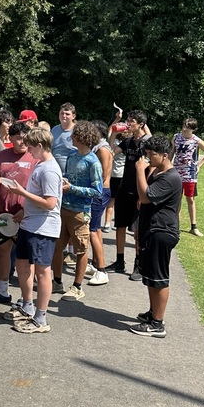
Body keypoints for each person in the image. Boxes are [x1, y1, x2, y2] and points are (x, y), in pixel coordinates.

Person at [3, 126, 62, 334]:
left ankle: (41, 317)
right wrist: (24, 211)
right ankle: (27, 306)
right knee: (22, 264)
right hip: (30, 224)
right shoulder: (41, 164)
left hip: (43, 228)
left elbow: (50, 203)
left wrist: (22, 193)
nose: (27, 150)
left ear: (40, 145)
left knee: (43, 271)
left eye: (30, 146)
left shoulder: (49, 169)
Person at [129, 135, 182, 338]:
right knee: (150, 276)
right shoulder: (158, 171)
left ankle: (157, 324)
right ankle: (153, 314)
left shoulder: (170, 178)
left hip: (162, 232)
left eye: (152, 154)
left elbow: (145, 197)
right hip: (151, 230)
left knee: (159, 278)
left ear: (165, 155)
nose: (148, 158)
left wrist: (140, 170)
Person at [0, 121, 38, 305]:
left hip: (25, 216)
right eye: (18, 138)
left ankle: (26, 299)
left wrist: (25, 209)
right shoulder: (1, 156)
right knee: (2, 251)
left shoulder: (34, 158)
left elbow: (38, 189)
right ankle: (2, 291)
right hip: (2, 215)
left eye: (25, 138)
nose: (22, 142)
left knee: (26, 258)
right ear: (10, 138)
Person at [56, 121, 103, 300]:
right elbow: (68, 177)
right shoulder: (71, 155)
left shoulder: (93, 162)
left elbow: (97, 192)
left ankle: (77, 287)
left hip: (80, 212)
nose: (71, 138)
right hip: (63, 208)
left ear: (82, 138)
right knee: (57, 247)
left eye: (74, 135)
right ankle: (56, 281)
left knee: (81, 250)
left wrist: (72, 188)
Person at [108, 110, 151, 280]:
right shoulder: (128, 141)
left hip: (139, 193)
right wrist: (114, 133)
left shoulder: (147, 143)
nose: (128, 123)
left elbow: (151, 169)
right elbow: (111, 152)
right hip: (124, 189)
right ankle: (119, 261)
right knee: (120, 226)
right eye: (128, 120)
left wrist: (143, 195)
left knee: (137, 231)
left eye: (132, 121)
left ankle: (138, 265)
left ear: (141, 124)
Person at [172, 118, 204, 236]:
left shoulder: (196, 140)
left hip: (190, 173)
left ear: (193, 130)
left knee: (190, 199)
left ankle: (193, 226)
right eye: (184, 126)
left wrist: (199, 165)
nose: (184, 129)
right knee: (177, 198)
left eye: (188, 127)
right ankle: (175, 225)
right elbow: (172, 152)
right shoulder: (176, 137)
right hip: (177, 172)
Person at [86, 121, 113, 286]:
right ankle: (96, 262)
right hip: (100, 192)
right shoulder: (100, 147)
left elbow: (102, 175)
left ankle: (102, 270)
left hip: (99, 192)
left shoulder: (102, 149)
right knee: (96, 228)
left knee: (92, 229)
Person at [51, 102, 77, 175]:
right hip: (55, 172)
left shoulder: (77, 131)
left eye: (67, 114)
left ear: (73, 116)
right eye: (62, 113)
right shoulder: (54, 130)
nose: (64, 116)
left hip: (73, 173)